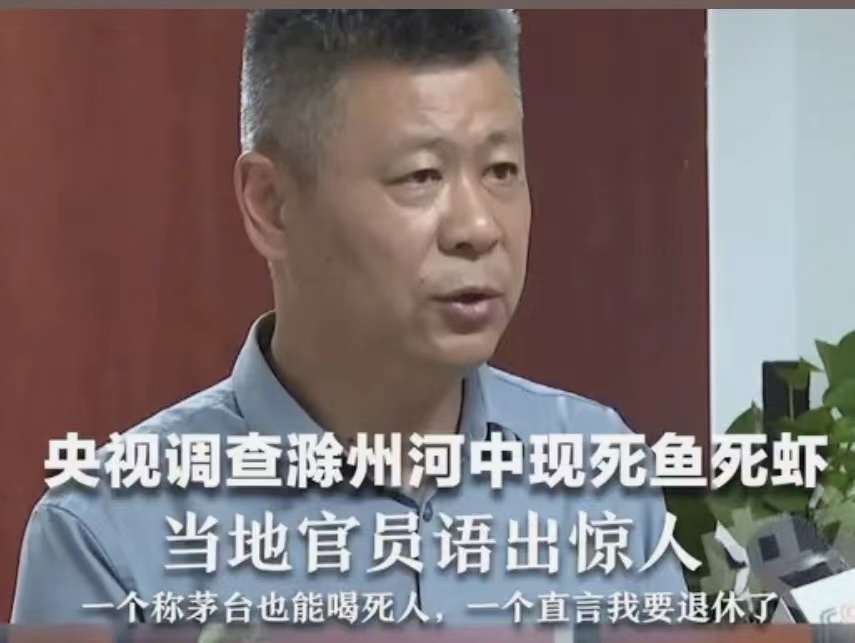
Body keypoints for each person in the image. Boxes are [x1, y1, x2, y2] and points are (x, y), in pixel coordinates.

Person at [12, 9, 686, 627]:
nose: (479, 227)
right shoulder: (107, 537)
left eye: (502, 169)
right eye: (421, 176)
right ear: (272, 205)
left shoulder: (595, 471)